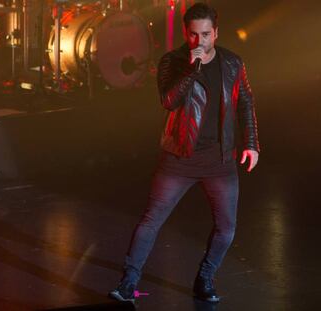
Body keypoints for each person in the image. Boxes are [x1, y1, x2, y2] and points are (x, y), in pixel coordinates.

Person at [109, 2, 260, 303]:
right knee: (151, 221)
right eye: (193, 35)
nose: (199, 41)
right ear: (185, 34)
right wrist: (192, 69)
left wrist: (252, 143)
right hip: (179, 157)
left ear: (216, 33)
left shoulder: (232, 63)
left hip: (219, 159)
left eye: (205, 34)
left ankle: (205, 277)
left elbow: (244, 102)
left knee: (226, 229)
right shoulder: (172, 62)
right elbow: (169, 100)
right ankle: (128, 282)